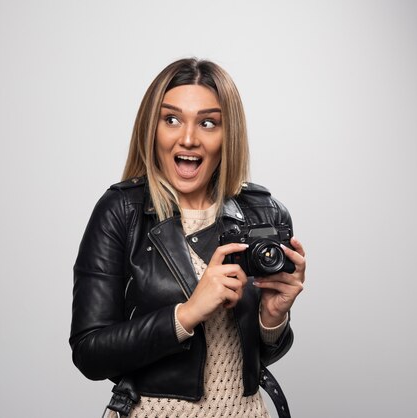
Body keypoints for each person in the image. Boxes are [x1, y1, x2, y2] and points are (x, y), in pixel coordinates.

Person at [70, 58, 306, 418]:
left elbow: (251, 357)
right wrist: (187, 314)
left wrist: (272, 319)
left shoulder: (264, 213)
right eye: (172, 119)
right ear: (153, 128)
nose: (189, 138)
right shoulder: (122, 211)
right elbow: (90, 352)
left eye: (208, 123)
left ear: (228, 136)